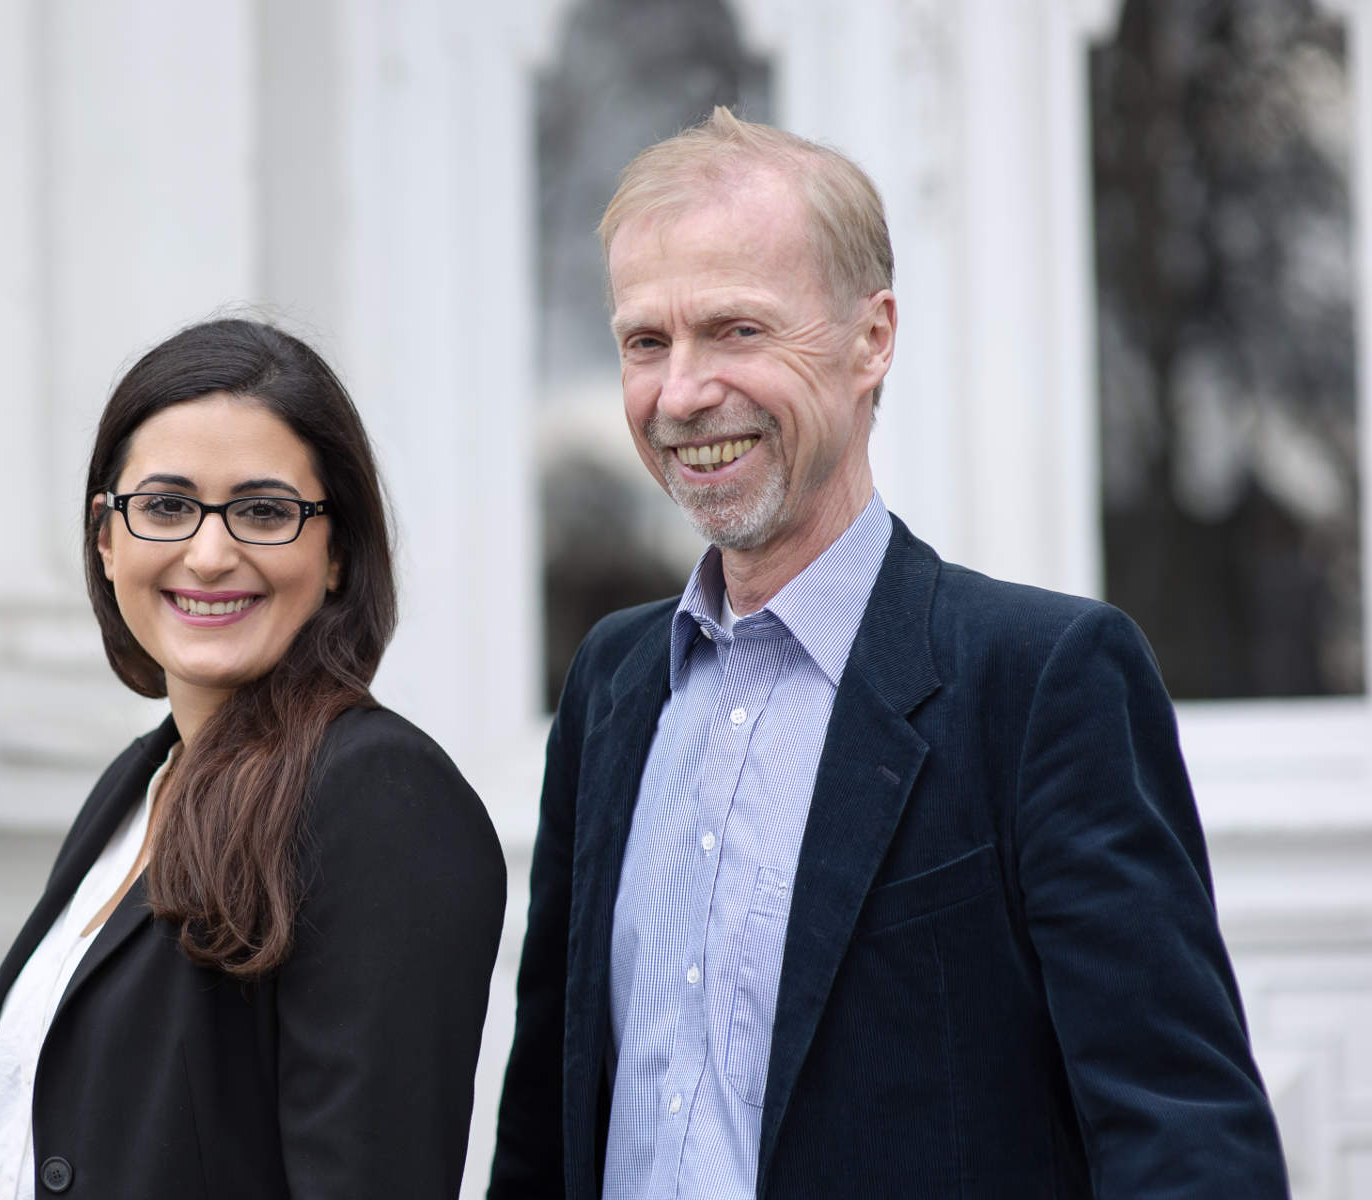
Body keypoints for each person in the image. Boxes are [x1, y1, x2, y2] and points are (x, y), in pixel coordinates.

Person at [489, 109, 1288, 1199]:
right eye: (644, 342)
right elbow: (543, 1126)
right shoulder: (613, 684)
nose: (679, 394)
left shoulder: (1041, 680)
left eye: (735, 330)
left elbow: (1182, 1143)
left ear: (870, 340)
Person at [0, 318, 506, 1199]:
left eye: (263, 511)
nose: (210, 555)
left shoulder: (380, 797)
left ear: (336, 554)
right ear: (106, 538)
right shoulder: (135, 785)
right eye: (167, 506)